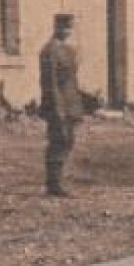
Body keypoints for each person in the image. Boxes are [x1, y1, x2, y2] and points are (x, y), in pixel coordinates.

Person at [39, 13, 84, 197]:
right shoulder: (49, 51)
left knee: (68, 141)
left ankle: (57, 180)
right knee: (58, 141)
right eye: (64, 27)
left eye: (70, 28)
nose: (67, 31)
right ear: (56, 28)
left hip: (70, 102)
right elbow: (50, 83)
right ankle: (53, 183)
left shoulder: (69, 50)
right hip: (58, 104)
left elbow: (72, 80)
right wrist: (57, 108)